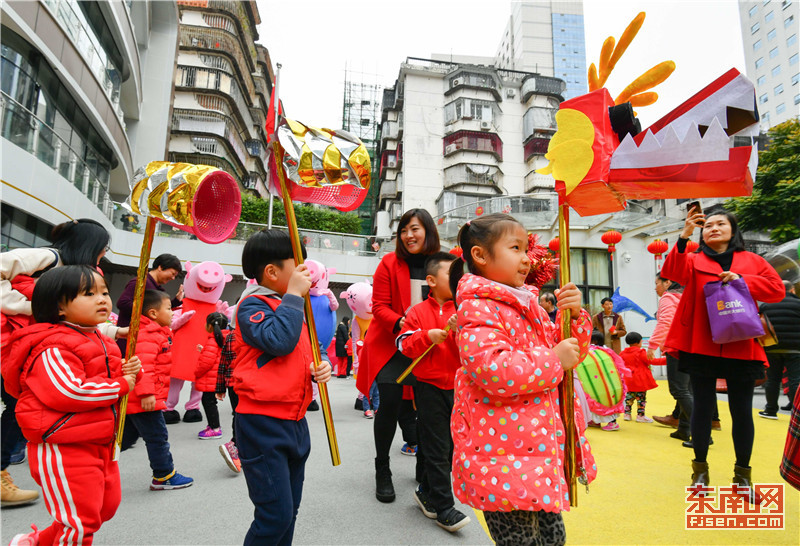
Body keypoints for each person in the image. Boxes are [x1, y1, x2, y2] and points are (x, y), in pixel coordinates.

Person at [448, 213, 596, 545]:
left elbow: (570, 356)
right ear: (480, 256)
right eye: (515, 248)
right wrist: (553, 358)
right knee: (521, 542)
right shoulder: (477, 307)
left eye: (527, 248)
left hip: (538, 451)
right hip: (500, 457)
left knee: (553, 538)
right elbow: (492, 369)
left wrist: (575, 316)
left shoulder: (531, 306)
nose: (527, 258)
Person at [3, 265, 141, 545]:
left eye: (104, 291)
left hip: (98, 441)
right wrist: (121, 384)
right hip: (63, 445)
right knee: (79, 523)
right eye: (89, 293)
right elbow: (71, 392)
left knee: (103, 509)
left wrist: (131, 372)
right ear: (59, 307)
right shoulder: (52, 345)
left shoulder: (100, 340)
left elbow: (115, 380)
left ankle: (36, 542)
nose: (102, 298)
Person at [661, 207, 783, 498]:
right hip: (701, 342)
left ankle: (742, 477)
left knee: (742, 411)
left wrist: (743, 279)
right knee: (703, 407)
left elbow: (776, 290)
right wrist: (685, 233)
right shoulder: (692, 259)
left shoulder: (752, 261)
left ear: (733, 229)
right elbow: (671, 272)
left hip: (740, 342)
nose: (713, 228)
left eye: (721, 224)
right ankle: (700, 472)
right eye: (708, 225)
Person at [1, 218, 123, 508]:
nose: (102, 255)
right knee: (19, 407)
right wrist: (30, 305)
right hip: (10, 343)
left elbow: (73, 324)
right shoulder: (49, 257)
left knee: (18, 407)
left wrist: (115, 331)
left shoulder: (72, 275)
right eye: (102, 249)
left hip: (23, 345)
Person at [232, 229, 332, 545]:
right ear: (272, 272)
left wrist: (320, 367)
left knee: (289, 513)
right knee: (274, 515)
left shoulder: (292, 307)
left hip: (294, 420)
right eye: (297, 263)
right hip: (262, 421)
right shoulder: (252, 305)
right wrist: (292, 297)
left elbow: (301, 352)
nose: (306, 270)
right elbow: (279, 342)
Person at [357, 208, 440, 503]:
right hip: (391, 345)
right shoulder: (389, 262)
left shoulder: (441, 264)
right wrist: (403, 323)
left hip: (430, 347)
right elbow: (378, 306)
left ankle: (424, 465)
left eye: (414, 229)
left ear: (428, 231)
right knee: (389, 405)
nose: (408, 235)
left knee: (429, 409)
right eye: (404, 230)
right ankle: (383, 468)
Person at [396, 252, 469, 531]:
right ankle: (444, 507)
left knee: (449, 447)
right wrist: (428, 336)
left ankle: (426, 491)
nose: (457, 280)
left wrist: (458, 331)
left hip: (459, 388)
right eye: (451, 275)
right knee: (438, 448)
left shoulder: (465, 310)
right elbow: (402, 344)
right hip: (427, 387)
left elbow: (474, 349)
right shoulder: (416, 312)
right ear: (431, 280)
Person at [121, 290, 193, 490]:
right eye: (169, 308)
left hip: (142, 398)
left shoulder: (158, 332)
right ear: (153, 313)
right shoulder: (148, 335)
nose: (172, 313)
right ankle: (163, 475)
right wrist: (147, 393)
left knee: (124, 438)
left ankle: (96, 463)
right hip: (144, 399)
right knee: (158, 437)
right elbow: (143, 364)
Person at [115, 253, 183, 354]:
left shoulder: (157, 288)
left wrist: (176, 301)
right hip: (129, 341)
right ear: (160, 267)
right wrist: (147, 312)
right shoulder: (140, 282)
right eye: (172, 274)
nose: (173, 278)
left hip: (143, 342)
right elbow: (123, 303)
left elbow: (156, 310)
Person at [759, 280, 800, 419]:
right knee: (795, 380)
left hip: (772, 348)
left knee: (772, 380)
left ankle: (770, 410)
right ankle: (796, 412)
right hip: (795, 349)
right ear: (792, 290)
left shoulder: (766, 305)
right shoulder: (798, 305)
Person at [195, 312, 230, 439]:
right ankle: (213, 425)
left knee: (208, 402)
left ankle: (215, 428)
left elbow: (206, 362)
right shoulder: (225, 338)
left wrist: (196, 372)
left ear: (210, 326)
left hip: (211, 378)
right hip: (218, 377)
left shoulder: (213, 340)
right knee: (210, 401)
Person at [620, 332, 662, 423]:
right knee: (641, 398)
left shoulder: (623, 353)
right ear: (638, 342)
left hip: (628, 379)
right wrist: (667, 360)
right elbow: (652, 361)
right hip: (640, 380)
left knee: (629, 398)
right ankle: (640, 415)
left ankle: (627, 414)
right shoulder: (640, 352)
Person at [216, 328, 241, 473]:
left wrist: (220, 387)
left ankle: (238, 447)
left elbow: (223, 362)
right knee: (244, 416)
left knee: (238, 413)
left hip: (232, 383)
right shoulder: (253, 332)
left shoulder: (231, 335)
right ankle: (235, 445)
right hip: (247, 382)